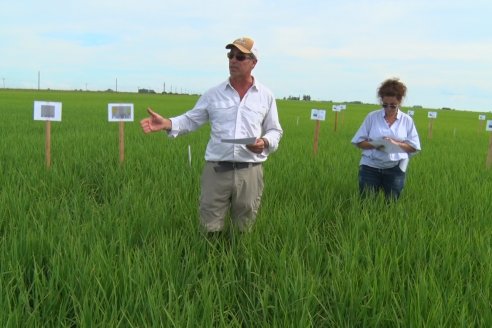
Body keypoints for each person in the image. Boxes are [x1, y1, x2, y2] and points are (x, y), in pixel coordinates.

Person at [140, 37, 283, 233]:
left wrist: (265, 142)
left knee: (244, 225)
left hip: (250, 170)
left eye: (240, 57)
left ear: (254, 63)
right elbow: (191, 119)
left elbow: (275, 130)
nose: (233, 60)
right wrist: (167, 123)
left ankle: (239, 260)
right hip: (216, 170)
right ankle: (210, 259)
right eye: (230, 55)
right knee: (209, 226)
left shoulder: (265, 96)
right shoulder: (213, 94)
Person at [351, 78, 421, 200]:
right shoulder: (372, 117)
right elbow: (359, 142)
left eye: (393, 105)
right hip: (370, 166)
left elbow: (413, 147)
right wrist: (376, 144)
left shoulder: (407, 120)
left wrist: (394, 143)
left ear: (400, 101)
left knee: (392, 204)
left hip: (396, 168)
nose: (388, 108)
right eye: (385, 105)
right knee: (366, 202)